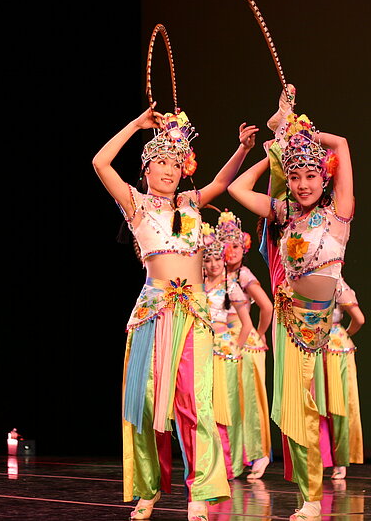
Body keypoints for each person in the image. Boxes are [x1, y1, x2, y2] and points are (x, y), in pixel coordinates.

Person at [92, 102, 259, 520]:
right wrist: (136, 123)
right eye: (159, 163)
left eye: (174, 163)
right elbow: (100, 161)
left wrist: (241, 149)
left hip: (196, 316)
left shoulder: (189, 203)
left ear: (183, 169)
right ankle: (147, 491)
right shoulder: (135, 203)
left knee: (195, 401)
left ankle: (200, 492)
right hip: (153, 312)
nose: (168, 170)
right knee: (146, 405)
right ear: (146, 171)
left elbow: (222, 181)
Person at [226, 85, 354, 521]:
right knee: (297, 409)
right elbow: (240, 189)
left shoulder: (339, 212)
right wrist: (276, 149)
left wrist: (299, 132)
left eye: (310, 177)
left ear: (325, 178)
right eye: (294, 177)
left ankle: (314, 496)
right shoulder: (284, 215)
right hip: (290, 323)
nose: (301, 184)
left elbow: (341, 144)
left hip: (325, 325)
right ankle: (311, 500)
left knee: (315, 405)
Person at [216, 211, 274, 481]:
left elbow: (266, 306)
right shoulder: (215, 274)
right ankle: (235, 456)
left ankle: (259, 453)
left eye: (236, 246)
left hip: (245, 343)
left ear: (244, 247)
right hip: (224, 344)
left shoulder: (244, 275)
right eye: (226, 247)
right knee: (231, 403)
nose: (231, 252)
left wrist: (260, 334)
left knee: (250, 400)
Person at [201, 220, 253, 482]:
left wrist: (236, 348)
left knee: (228, 409)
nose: (213, 265)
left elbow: (247, 324)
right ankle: (210, 463)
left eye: (216, 259)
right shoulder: (197, 286)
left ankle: (231, 467)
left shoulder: (230, 286)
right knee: (206, 409)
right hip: (203, 350)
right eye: (207, 260)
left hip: (225, 350)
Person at [321, 275, 364, 480]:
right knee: (319, 404)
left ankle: (339, 460)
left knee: (338, 405)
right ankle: (323, 457)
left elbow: (359, 318)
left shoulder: (337, 282)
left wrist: (342, 334)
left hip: (335, 349)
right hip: (317, 346)